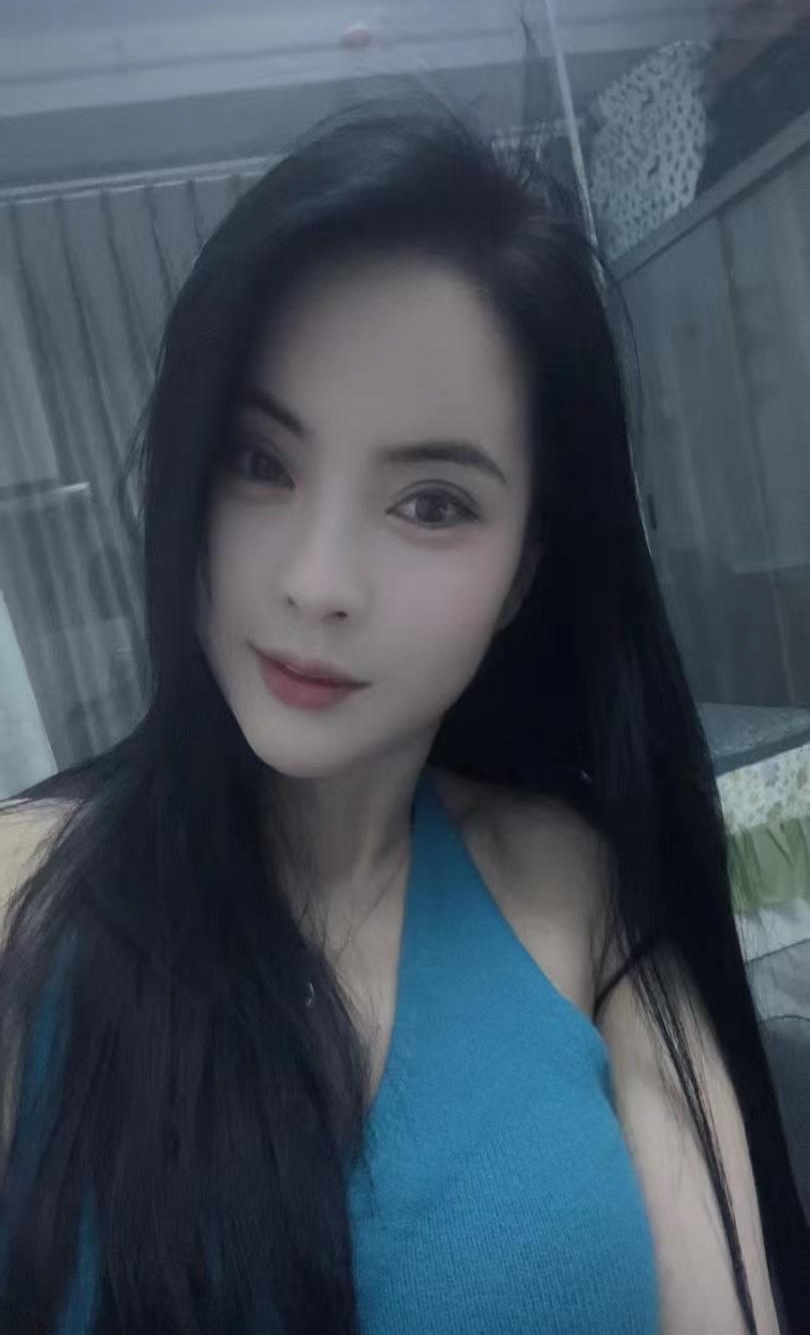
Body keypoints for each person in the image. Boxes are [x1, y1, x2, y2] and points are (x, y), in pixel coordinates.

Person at [0, 105, 806, 1335]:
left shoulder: (573, 881)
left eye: (432, 502)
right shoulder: (27, 897)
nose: (316, 579)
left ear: (522, 575)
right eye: (260, 461)